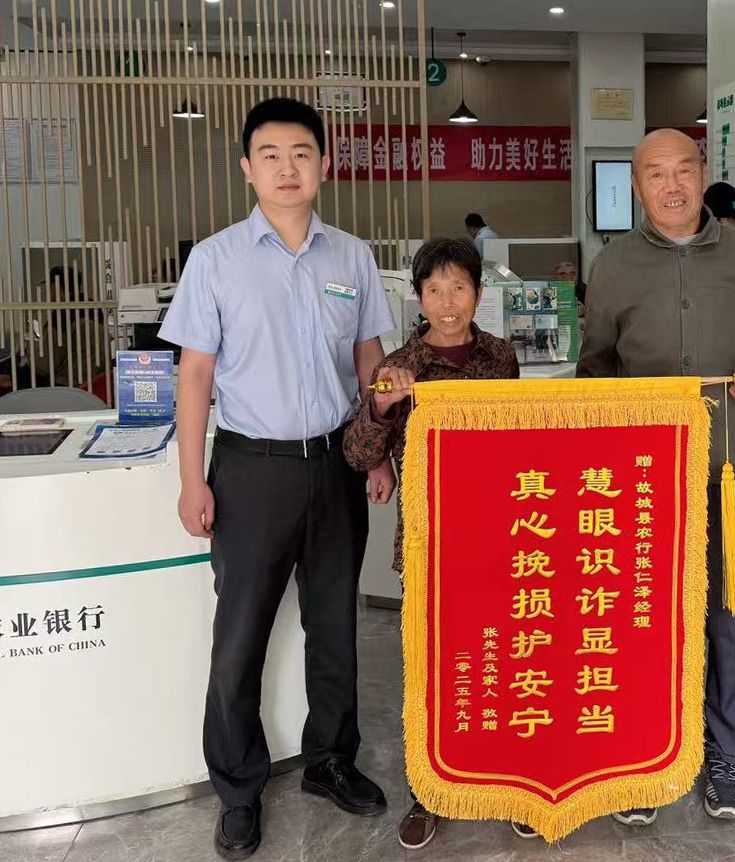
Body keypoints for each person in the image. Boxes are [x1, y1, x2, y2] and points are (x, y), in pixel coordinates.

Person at [159, 96, 396, 860]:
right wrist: (192, 480)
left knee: (335, 629)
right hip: (250, 471)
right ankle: (238, 790)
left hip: (333, 464)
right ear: (247, 168)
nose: (287, 168)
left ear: (323, 164)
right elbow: (195, 376)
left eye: (301, 153)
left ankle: (330, 760)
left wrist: (377, 451)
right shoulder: (216, 260)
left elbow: (368, 360)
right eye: (271, 155)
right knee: (239, 639)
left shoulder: (351, 258)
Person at [579, 128, 735, 825]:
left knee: (732, 615)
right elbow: (595, 364)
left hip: (731, 468)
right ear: (636, 187)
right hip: (643, 479)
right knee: (648, 619)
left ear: (703, 174)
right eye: (655, 174)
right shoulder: (612, 266)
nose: (671, 186)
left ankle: (728, 754)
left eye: (683, 171)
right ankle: (645, 755)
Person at [341, 236, 521, 850]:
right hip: (429, 544)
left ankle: (510, 781)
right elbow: (358, 453)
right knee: (433, 671)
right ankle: (429, 791)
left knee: (502, 661)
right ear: (418, 297)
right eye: (435, 290)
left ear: (478, 292)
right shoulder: (398, 365)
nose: (448, 303)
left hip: (500, 538)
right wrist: (384, 409)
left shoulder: (501, 357)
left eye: (459, 288)